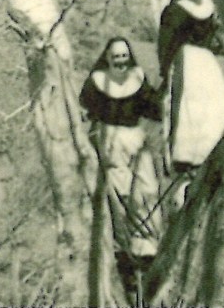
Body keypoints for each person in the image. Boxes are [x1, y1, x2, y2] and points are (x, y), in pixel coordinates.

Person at [79, 37, 162, 299]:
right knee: (120, 195)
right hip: (110, 143)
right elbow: (87, 108)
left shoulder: (138, 79)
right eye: (116, 57)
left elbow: (154, 108)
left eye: (124, 56)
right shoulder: (97, 83)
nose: (121, 62)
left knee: (147, 190)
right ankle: (126, 250)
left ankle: (146, 247)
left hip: (136, 139)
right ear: (107, 58)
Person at [157, 0, 224, 198]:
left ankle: (210, 152)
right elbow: (166, 44)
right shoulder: (176, 11)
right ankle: (187, 159)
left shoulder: (209, 8)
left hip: (207, 64)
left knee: (218, 108)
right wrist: (167, 70)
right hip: (186, 62)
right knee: (189, 111)